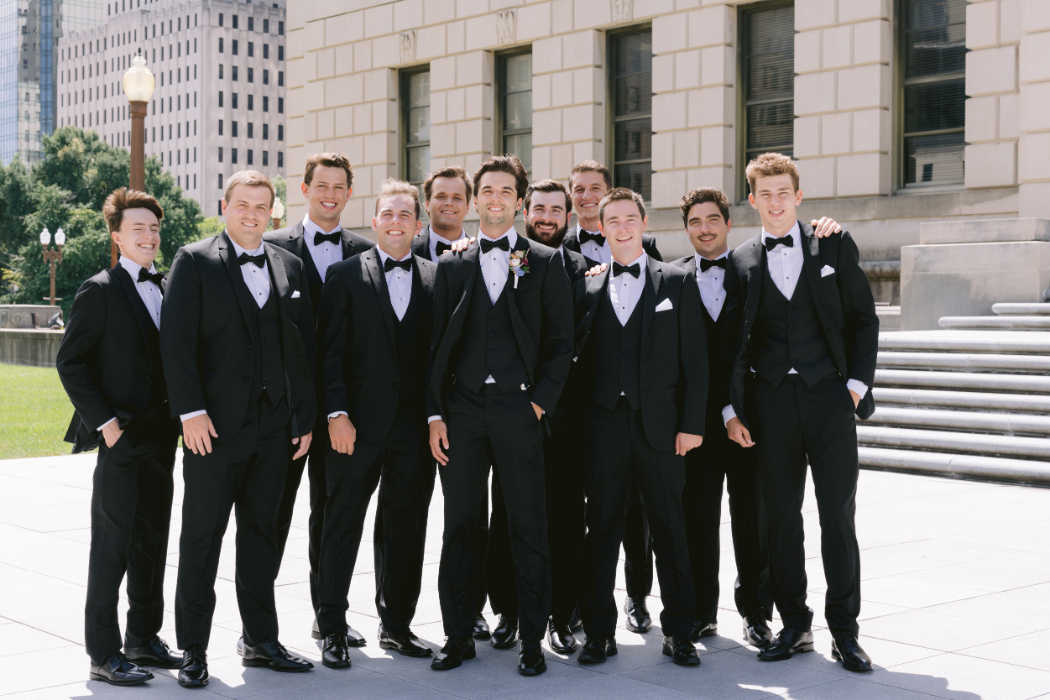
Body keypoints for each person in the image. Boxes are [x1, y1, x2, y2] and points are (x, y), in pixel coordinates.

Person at [723, 153, 879, 673]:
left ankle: (845, 631)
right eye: (763, 193)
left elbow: (863, 318)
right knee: (780, 521)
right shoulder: (741, 260)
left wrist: (855, 386)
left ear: (798, 195)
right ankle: (795, 623)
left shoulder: (832, 242)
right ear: (752, 199)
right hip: (769, 407)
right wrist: (732, 408)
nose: (773, 201)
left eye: (782, 192)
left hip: (829, 399)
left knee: (838, 516)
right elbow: (730, 345)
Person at [162, 171, 317, 688]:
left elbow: (301, 350)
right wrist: (190, 412)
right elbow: (177, 346)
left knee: (260, 538)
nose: (252, 213)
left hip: (274, 430)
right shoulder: (194, 260)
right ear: (224, 205)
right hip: (213, 430)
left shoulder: (290, 264)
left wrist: (303, 418)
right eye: (242, 204)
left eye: (262, 205)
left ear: (273, 212)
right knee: (201, 541)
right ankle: (193, 650)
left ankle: (260, 641)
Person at [672, 189, 844, 647]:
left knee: (755, 516)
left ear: (729, 224)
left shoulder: (752, 267)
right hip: (692, 420)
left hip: (749, 413)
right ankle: (702, 612)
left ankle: (756, 612)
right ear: (685, 228)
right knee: (698, 517)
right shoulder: (672, 278)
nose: (704, 228)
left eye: (713, 219)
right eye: (694, 221)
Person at [427, 155, 573, 675]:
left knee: (528, 525)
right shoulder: (452, 263)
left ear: (519, 200)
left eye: (504, 191)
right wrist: (434, 415)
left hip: (519, 409)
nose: (494, 199)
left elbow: (562, 343)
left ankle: (532, 638)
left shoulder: (544, 261)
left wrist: (539, 402)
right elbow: (434, 346)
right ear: (474, 200)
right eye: (485, 190)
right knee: (461, 525)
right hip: (462, 412)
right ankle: (458, 634)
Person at [571, 188, 707, 667]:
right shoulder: (585, 285)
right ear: (601, 227)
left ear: (644, 224)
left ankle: (680, 632)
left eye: (631, 218)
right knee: (601, 531)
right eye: (613, 220)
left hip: (663, 430)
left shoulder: (677, 281)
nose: (623, 227)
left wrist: (692, 424)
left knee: (670, 530)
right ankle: (598, 632)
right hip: (603, 429)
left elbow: (696, 360)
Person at [57, 188, 181, 686]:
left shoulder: (170, 285)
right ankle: (103, 653)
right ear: (117, 237)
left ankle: (144, 640)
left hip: (163, 439)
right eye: (138, 229)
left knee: (152, 541)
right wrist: (106, 425)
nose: (149, 236)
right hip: (121, 439)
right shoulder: (99, 289)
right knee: (111, 545)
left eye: (154, 228)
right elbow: (71, 362)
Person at [313, 180, 437, 669]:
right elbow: (330, 353)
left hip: (414, 433)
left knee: (405, 529)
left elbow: (438, 358)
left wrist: (434, 419)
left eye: (405, 215)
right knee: (341, 525)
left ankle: (398, 625)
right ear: (375, 220)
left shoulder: (435, 277)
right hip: (355, 428)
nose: (396, 222)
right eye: (388, 213)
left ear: (418, 225)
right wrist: (336, 414)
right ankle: (331, 626)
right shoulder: (345, 276)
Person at [263, 153, 374, 647]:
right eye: (321, 185)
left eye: (339, 187)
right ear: (304, 190)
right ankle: (258, 627)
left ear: (350, 194)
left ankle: (329, 618)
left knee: (333, 518)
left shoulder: (366, 252)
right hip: (283, 413)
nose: (330, 194)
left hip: (339, 413)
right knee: (270, 517)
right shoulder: (267, 246)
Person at [485, 179, 590, 655]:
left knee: (567, 517)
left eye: (556, 210)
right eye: (540, 209)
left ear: (569, 216)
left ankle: (562, 615)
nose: (547, 217)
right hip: (516, 413)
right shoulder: (515, 257)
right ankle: (508, 610)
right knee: (508, 513)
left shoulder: (588, 268)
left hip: (569, 418)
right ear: (527, 210)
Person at [398, 166, 493, 643]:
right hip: (408, 413)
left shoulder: (486, 255)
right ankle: (397, 617)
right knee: (406, 515)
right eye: (440, 197)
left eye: (458, 197)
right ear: (427, 202)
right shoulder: (401, 251)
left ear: (470, 203)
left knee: (470, 514)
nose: (449, 204)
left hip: (465, 411)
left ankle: (468, 607)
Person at [566, 159, 660, 633]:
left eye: (594, 188)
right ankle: (586, 603)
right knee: (594, 515)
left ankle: (638, 597)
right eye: (578, 190)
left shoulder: (647, 251)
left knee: (639, 515)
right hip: (593, 414)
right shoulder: (556, 251)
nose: (585, 196)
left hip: (644, 414)